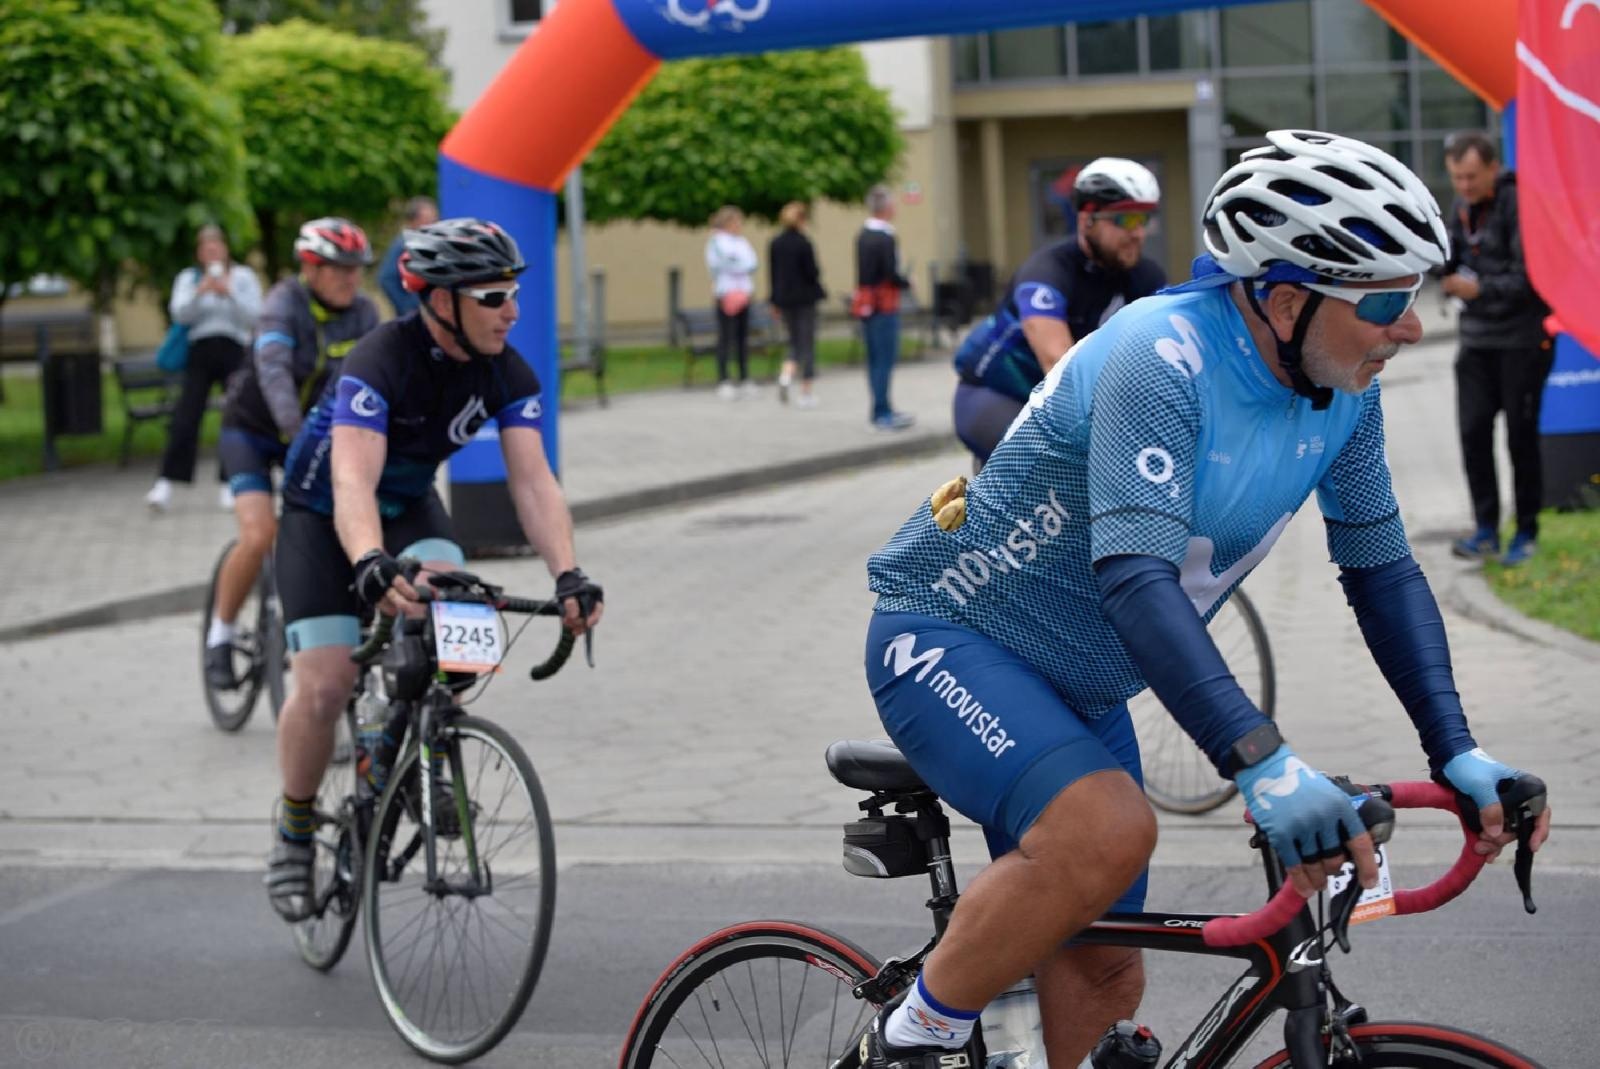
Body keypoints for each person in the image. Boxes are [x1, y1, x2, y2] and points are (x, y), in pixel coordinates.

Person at [858, 130, 1552, 1069]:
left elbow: (1382, 569)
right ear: (1286, 297)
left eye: (1417, 297)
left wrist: (1456, 748)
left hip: (1082, 683)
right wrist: (1262, 763)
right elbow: (1135, 577)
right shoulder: (1159, 355)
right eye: (1387, 301)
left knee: (1105, 974)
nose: (1413, 327)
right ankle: (915, 1036)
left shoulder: (1341, 386)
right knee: (1108, 829)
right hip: (948, 634)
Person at [262, 217, 604, 921]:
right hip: (322, 517)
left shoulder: (507, 369)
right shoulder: (378, 360)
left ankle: (418, 742)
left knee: (467, 626)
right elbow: (352, 481)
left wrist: (568, 572)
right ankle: (295, 830)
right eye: (493, 296)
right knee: (325, 685)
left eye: (514, 293)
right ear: (441, 299)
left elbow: (534, 482)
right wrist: (368, 561)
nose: (512, 309)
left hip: (410, 505)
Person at [203, 217, 379, 691]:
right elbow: (275, 374)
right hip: (253, 432)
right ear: (311, 268)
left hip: (311, 437)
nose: (351, 278)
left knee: (339, 526)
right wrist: (294, 432)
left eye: (357, 269)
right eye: (339, 268)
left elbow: (379, 380)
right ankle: (219, 637)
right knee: (260, 533)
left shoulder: (364, 314)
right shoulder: (283, 305)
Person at [951, 159, 1165, 466]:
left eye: (1145, 219)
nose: (1139, 233)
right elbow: (1060, 366)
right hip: (999, 395)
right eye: (1126, 220)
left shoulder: (1145, 276)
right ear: (1086, 219)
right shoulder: (1046, 272)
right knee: (1056, 469)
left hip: (1060, 405)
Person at [1439, 132, 1553, 567]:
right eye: (1456, 178)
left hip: (1521, 341)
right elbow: (1450, 259)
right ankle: (1485, 529)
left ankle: (1526, 532)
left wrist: (1479, 287)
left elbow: (1532, 279)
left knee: (1521, 441)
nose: (1464, 187)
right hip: (1475, 341)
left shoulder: (1520, 203)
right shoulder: (1461, 205)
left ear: (1492, 168)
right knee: (1472, 435)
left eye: (1471, 177)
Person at [145, 225, 262, 513]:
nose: (212, 253)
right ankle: (166, 483)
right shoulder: (189, 278)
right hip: (200, 351)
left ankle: (229, 482)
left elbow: (255, 315)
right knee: (186, 416)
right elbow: (180, 314)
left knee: (235, 415)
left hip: (234, 350)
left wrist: (229, 293)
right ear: (200, 253)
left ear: (225, 248)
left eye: (216, 247)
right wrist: (201, 291)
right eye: (206, 248)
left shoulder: (243, 276)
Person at [854, 185, 914, 431]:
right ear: (887, 208)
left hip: (867, 304)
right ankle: (882, 411)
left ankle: (881, 407)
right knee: (884, 360)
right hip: (884, 303)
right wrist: (907, 281)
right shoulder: (885, 237)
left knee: (874, 359)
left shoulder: (863, 235)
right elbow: (890, 273)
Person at [768, 201, 827, 407]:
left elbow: (773, 275)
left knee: (793, 341)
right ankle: (806, 391)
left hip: (784, 300)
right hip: (805, 299)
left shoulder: (776, 243)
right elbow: (812, 272)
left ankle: (785, 377)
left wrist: (774, 301)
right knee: (807, 343)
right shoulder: (804, 243)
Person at [706, 205, 759, 400]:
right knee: (725, 338)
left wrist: (738, 264)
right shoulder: (716, 241)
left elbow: (752, 263)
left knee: (742, 338)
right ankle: (723, 379)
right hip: (726, 293)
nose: (739, 225)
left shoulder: (741, 242)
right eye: (736, 221)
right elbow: (723, 264)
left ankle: (744, 377)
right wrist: (738, 264)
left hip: (743, 293)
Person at [377, 196, 439, 317]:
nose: (433, 225)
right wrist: (408, 308)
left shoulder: (431, 245)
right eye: (427, 220)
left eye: (434, 220)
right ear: (413, 221)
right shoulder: (403, 246)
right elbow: (386, 279)